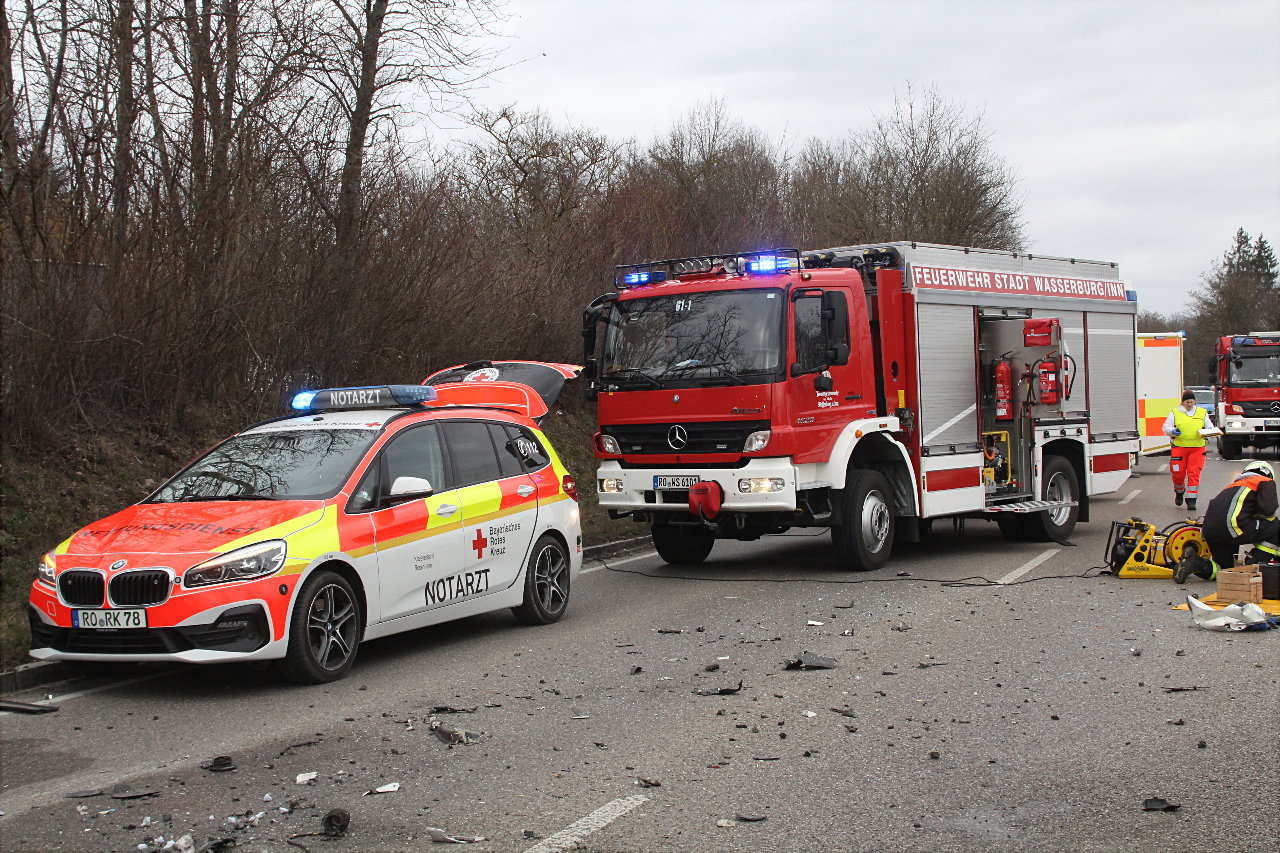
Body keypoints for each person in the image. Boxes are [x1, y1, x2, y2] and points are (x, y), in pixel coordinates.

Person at [1175, 460, 1279, 583]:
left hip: (1210, 530)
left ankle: (1195, 563)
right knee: (1276, 527)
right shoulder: (1264, 481)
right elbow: (1268, 511)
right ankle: (1251, 565)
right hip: (1233, 526)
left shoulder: (1232, 487)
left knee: (1225, 570)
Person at [1161, 389, 1219, 511]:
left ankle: (1191, 500)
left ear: (1195, 402)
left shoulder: (1202, 413)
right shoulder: (1175, 412)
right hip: (1179, 448)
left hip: (1197, 448)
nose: (1190, 405)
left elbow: (1209, 427)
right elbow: (1166, 427)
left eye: (1192, 402)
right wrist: (1172, 431)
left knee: (1194, 473)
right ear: (1183, 402)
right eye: (1187, 402)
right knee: (1178, 473)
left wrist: (1210, 432)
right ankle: (1179, 491)